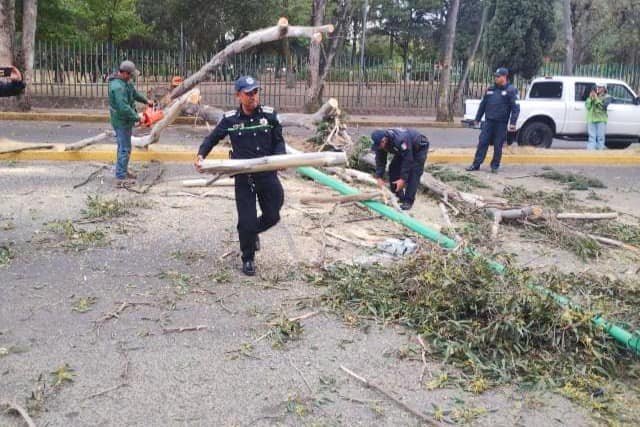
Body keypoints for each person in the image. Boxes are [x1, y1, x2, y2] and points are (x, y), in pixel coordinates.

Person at [195, 76, 285, 276]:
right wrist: (201, 156)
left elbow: (279, 141)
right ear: (238, 96)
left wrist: (280, 159)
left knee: (273, 214)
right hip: (244, 178)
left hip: (267, 174)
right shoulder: (230, 120)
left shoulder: (270, 116)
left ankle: (252, 234)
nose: (253, 96)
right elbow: (212, 138)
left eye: (255, 92)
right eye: (248, 93)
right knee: (246, 220)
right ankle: (248, 257)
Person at [108, 60, 153, 188]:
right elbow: (123, 108)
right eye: (131, 75)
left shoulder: (125, 83)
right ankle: (120, 178)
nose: (132, 77)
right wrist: (138, 118)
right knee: (125, 148)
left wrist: (146, 101)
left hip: (125, 120)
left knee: (123, 146)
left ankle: (122, 170)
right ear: (125, 73)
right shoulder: (118, 87)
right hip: (121, 121)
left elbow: (134, 94)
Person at [466, 67, 520, 173]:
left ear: (504, 77)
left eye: (498, 76)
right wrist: (477, 119)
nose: (495, 78)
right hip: (488, 122)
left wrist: (513, 123)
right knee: (482, 142)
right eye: (495, 76)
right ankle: (476, 164)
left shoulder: (511, 90)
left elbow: (515, 108)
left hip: (501, 123)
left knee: (498, 145)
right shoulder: (490, 90)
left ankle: (494, 166)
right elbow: (483, 105)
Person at [371, 128, 430, 211]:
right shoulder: (381, 144)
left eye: (379, 145)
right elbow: (380, 160)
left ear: (383, 140)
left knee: (414, 172)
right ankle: (397, 195)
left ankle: (408, 201)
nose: (379, 148)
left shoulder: (400, 140)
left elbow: (408, 159)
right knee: (393, 168)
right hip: (404, 150)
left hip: (419, 147)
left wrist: (403, 179)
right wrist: (379, 176)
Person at [585, 84, 611, 150]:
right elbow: (588, 107)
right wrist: (590, 98)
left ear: (604, 88)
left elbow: (603, 107)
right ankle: (590, 154)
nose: (598, 88)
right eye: (598, 87)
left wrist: (596, 98)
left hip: (601, 120)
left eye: (600, 87)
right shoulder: (593, 95)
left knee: (600, 138)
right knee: (591, 138)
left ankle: (600, 153)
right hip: (591, 119)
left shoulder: (607, 97)